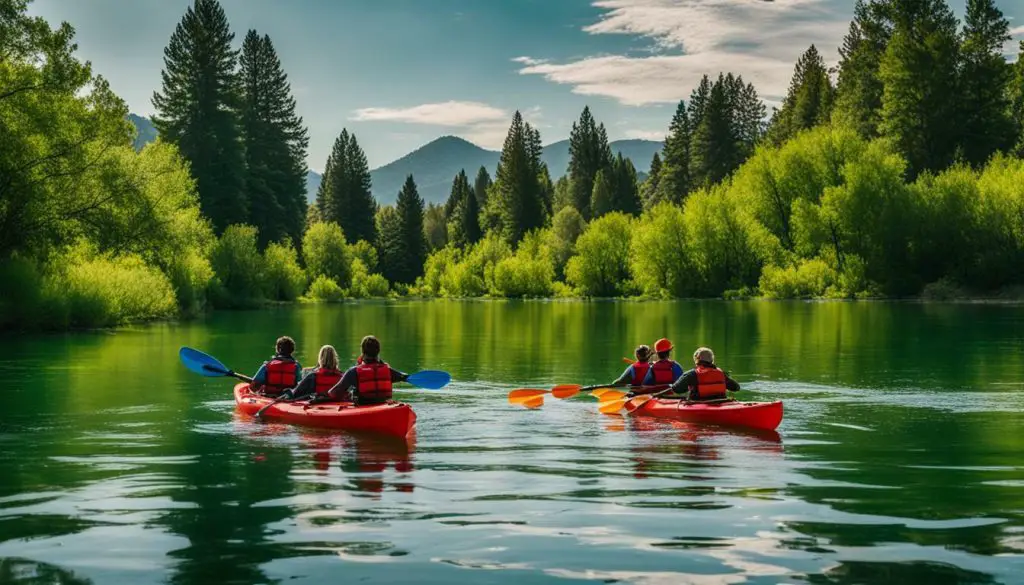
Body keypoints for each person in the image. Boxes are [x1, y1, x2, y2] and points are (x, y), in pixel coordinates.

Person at [320, 335, 409, 405]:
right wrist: (405, 376)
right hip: (384, 405)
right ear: (378, 351)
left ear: (362, 351)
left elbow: (333, 393)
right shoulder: (388, 371)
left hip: (363, 408)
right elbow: (405, 377)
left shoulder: (354, 372)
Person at [667, 347, 740, 401]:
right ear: (712, 360)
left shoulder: (691, 374)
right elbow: (736, 388)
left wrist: (689, 386)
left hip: (698, 404)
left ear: (697, 360)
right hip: (720, 403)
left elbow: (676, 389)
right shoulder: (721, 374)